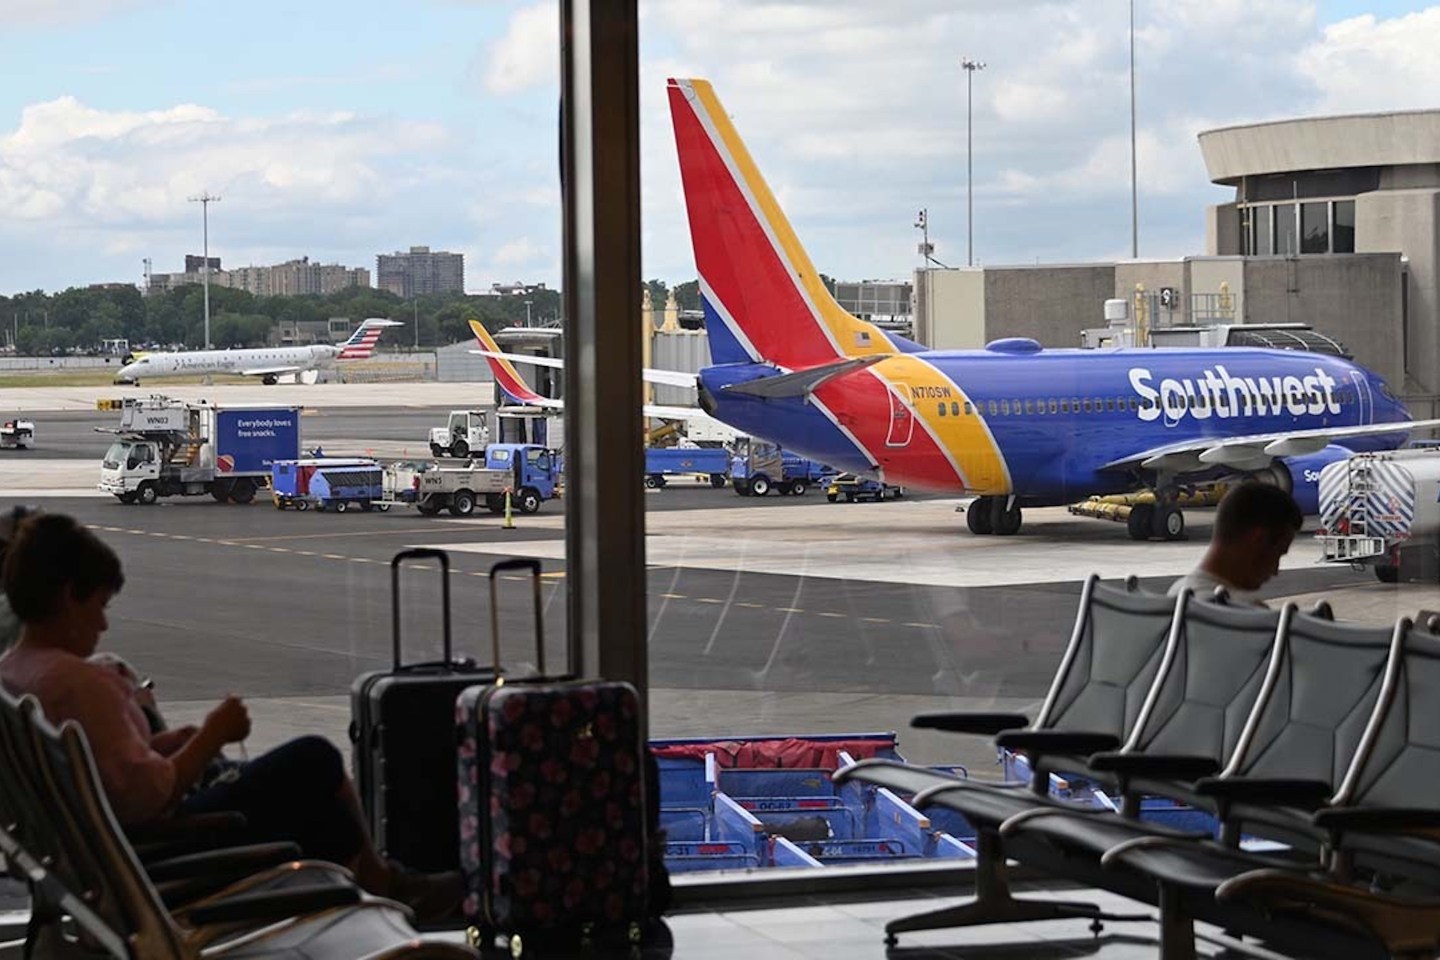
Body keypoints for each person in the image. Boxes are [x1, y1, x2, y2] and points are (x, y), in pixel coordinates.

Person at [0, 513, 459, 920]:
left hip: (89, 856)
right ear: (66, 597)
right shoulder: (79, 684)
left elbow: (102, 771)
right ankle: (382, 883)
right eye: (98, 605)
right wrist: (212, 736)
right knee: (314, 759)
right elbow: (144, 796)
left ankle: (377, 884)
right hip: (156, 845)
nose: (102, 624)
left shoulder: (16, 674)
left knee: (317, 809)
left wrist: (165, 745)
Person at [1169, 482, 1304, 605]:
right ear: (1258, 539)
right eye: (1277, 554)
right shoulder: (1246, 612)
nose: (1275, 571)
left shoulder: (1176, 594)